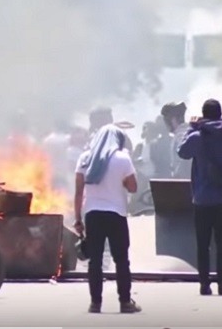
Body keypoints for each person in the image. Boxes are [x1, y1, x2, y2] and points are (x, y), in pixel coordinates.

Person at [73, 124, 142, 314]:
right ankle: (125, 302)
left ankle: (95, 303)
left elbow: (79, 192)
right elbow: (134, 187)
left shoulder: (85, 158)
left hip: (93, 215)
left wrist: (78, 219)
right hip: (116, 214)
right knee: (121, 259)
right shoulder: (122, 157)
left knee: (94, 261)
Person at [176, 99, 222, 296]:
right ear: (220, 114)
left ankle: (204, 284)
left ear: (203, 114)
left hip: (202, 198)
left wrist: (191, 128)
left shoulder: (196, 137)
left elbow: (182, 152)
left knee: (203, 244)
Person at [161, 101, 191, 179]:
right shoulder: (188, 132)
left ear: (173, 120)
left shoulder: (180, 136)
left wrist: (176, 176)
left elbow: (185, 160)